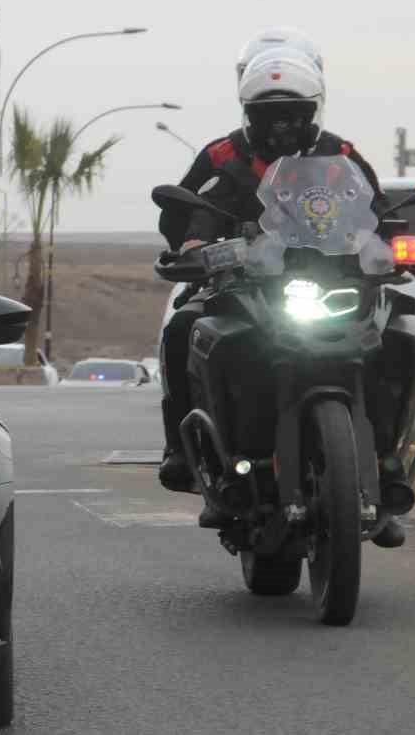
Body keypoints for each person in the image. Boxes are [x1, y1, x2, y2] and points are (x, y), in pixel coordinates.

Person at [155, 49, 402, 544]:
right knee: (185, 327)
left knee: (399, 331)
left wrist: (396, 242)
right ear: (249, 115)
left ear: (314, 112)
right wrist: (193, 245)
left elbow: (377, 209)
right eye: (269, 115)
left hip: (335, 282)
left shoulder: (341, 156)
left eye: (294, 114)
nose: (282, 126)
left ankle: (385, 463)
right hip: (246, 284)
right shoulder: (224, 157)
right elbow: (192, 210)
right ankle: (184, 454)